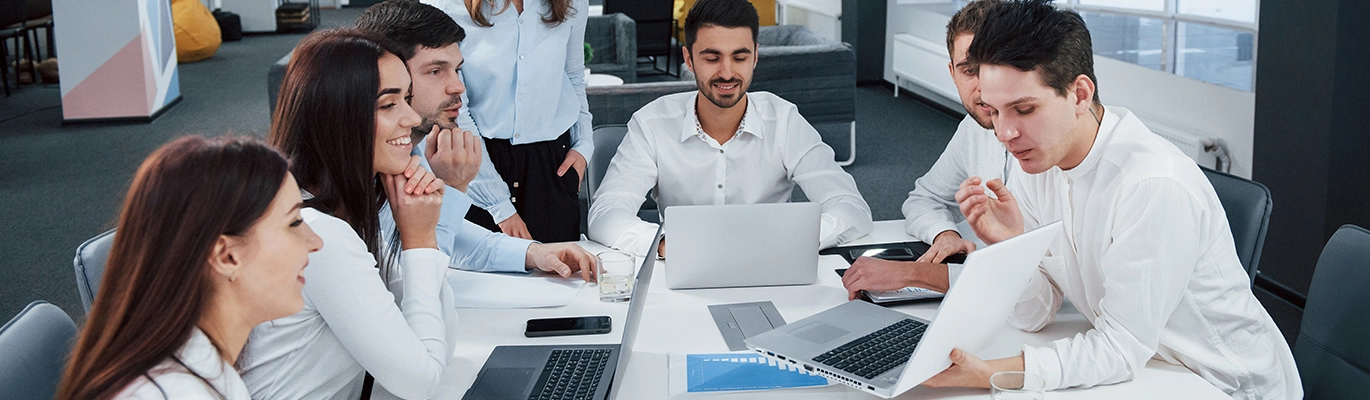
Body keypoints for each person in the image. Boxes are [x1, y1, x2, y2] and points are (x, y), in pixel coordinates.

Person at [863, 1, 1303, 398]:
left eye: (1024, 109)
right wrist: (1010, 244)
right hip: (1149, 366)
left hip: (1222, 384)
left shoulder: (1152, 185)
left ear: (1079, 94)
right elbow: (1034, 314)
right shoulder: (1039, 164)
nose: (1005, 133)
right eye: (995, 112)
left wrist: (989, 372)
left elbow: (1119, 349)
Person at [237, 28, 462, 400]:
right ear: (337, 118)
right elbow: (421, 381)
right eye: (389, 105)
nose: (410, 118)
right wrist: (420, 241)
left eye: (406, 99)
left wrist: (423, 238)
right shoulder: (315, 234)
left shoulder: (335, 211)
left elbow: (438, 347)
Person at [586, 0, 872, 257]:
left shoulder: (784, 120)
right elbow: (606, 213)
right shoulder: (652, 123)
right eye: (712, 58)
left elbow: (851, 208)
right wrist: (665, 243)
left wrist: (791, 239)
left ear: (756, 56)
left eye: (739, 57)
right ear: (689, 59)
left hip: (771, 266)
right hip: (681, 272)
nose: (726, 72)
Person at [56, 136, 323, 400]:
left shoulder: (204, 365)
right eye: (294, 222)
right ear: (226, 256)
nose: (316, 242)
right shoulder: (175, 392)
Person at [355, 0, 598, 278]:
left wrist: (533, 253)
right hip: (482, 156)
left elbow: (449, 240)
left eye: (458, 69)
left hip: (551, 160)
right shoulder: (337, 198)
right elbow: (420, 278)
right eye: (436, 71)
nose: (459, 86)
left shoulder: (411, 154)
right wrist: (461, 189)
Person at [426, 0, 593, 243]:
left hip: (553, 165)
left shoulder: (572, 2)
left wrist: (584, 146)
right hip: (478, 161)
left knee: (561, 276)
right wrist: (498, 205)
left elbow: (574, 76)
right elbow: (454, 108)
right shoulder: (445, 5)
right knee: (484, 275)